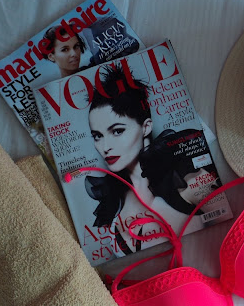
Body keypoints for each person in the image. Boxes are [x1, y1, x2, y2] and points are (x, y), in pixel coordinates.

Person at [84, 65, 211, 257]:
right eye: (97, 136)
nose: (105, 146)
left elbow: (228, 219)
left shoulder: (185, 176)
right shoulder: (112, 203)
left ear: (146, 127)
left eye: (117, 131)